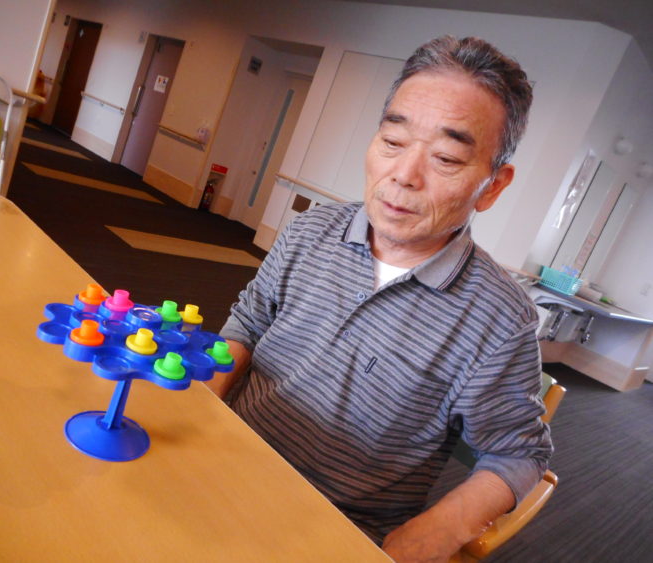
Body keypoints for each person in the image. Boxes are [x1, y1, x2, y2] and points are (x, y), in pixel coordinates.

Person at [206, 35, 553, 562]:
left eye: (445, 157)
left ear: (492, 186)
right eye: (393, 142)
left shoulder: (500, 319)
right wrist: (201, 407)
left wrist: (440, 529)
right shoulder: (311, 230)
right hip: (225, 456)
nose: (403, 176)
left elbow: (518, 454)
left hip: (329, 527)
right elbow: (248, 324)